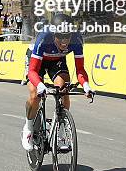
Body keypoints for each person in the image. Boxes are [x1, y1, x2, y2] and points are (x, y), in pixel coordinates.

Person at [21, 12, 94, 151]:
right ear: (53, 34)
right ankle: (28, 129)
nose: (64, 41)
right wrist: (41, 85)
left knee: (63, 89)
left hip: (57, 60)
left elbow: (80, 69)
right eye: (60, 37)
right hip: (37, 60)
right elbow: (32, 72)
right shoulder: (44, 37)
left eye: (67, 37)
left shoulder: (77, 39)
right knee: (34, 93)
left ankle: (61, 129)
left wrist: (86, 85)